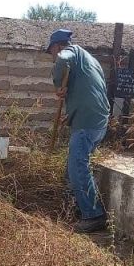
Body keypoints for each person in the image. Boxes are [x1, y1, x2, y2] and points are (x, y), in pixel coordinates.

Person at [47, 29, 111, 233]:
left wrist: (58, 85)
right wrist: (72, 114)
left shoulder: (70, 52)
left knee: (77, 167)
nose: (52, 56)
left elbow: (62, 59)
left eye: (51, 51)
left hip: (87, 122)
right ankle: (75, 206)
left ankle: (93, 215)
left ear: (57, 46)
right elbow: (89, 90)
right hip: (98, 121)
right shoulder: (90, 60)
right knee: (72, 168)